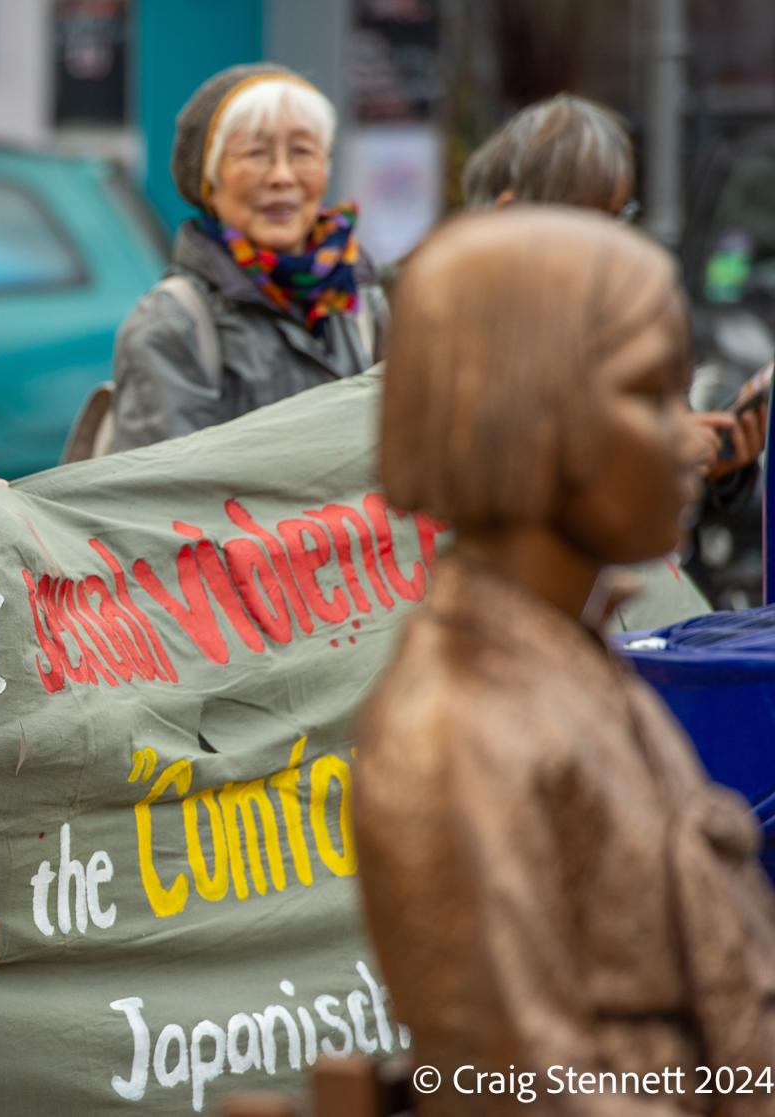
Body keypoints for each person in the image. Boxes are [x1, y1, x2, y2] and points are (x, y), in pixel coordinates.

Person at [355, 209, 775, 1116]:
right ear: (527, 416)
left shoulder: (580, 670)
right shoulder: (459, 731)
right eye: (649, 398)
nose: (688, 438)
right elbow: (520, 1088)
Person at [461, 92, 768, 488]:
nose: (611, 244)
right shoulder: (463, 337)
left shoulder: (633, 326)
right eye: (587, 223)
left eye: (620, 217)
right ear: (511, 215)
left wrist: (713, 469)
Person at [108, 64, 384, 453]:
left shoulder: (362, 303)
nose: (282, 177)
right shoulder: (172, 324)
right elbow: (165, 497)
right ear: (208, 180)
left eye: (303, 151)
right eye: (256, 153)